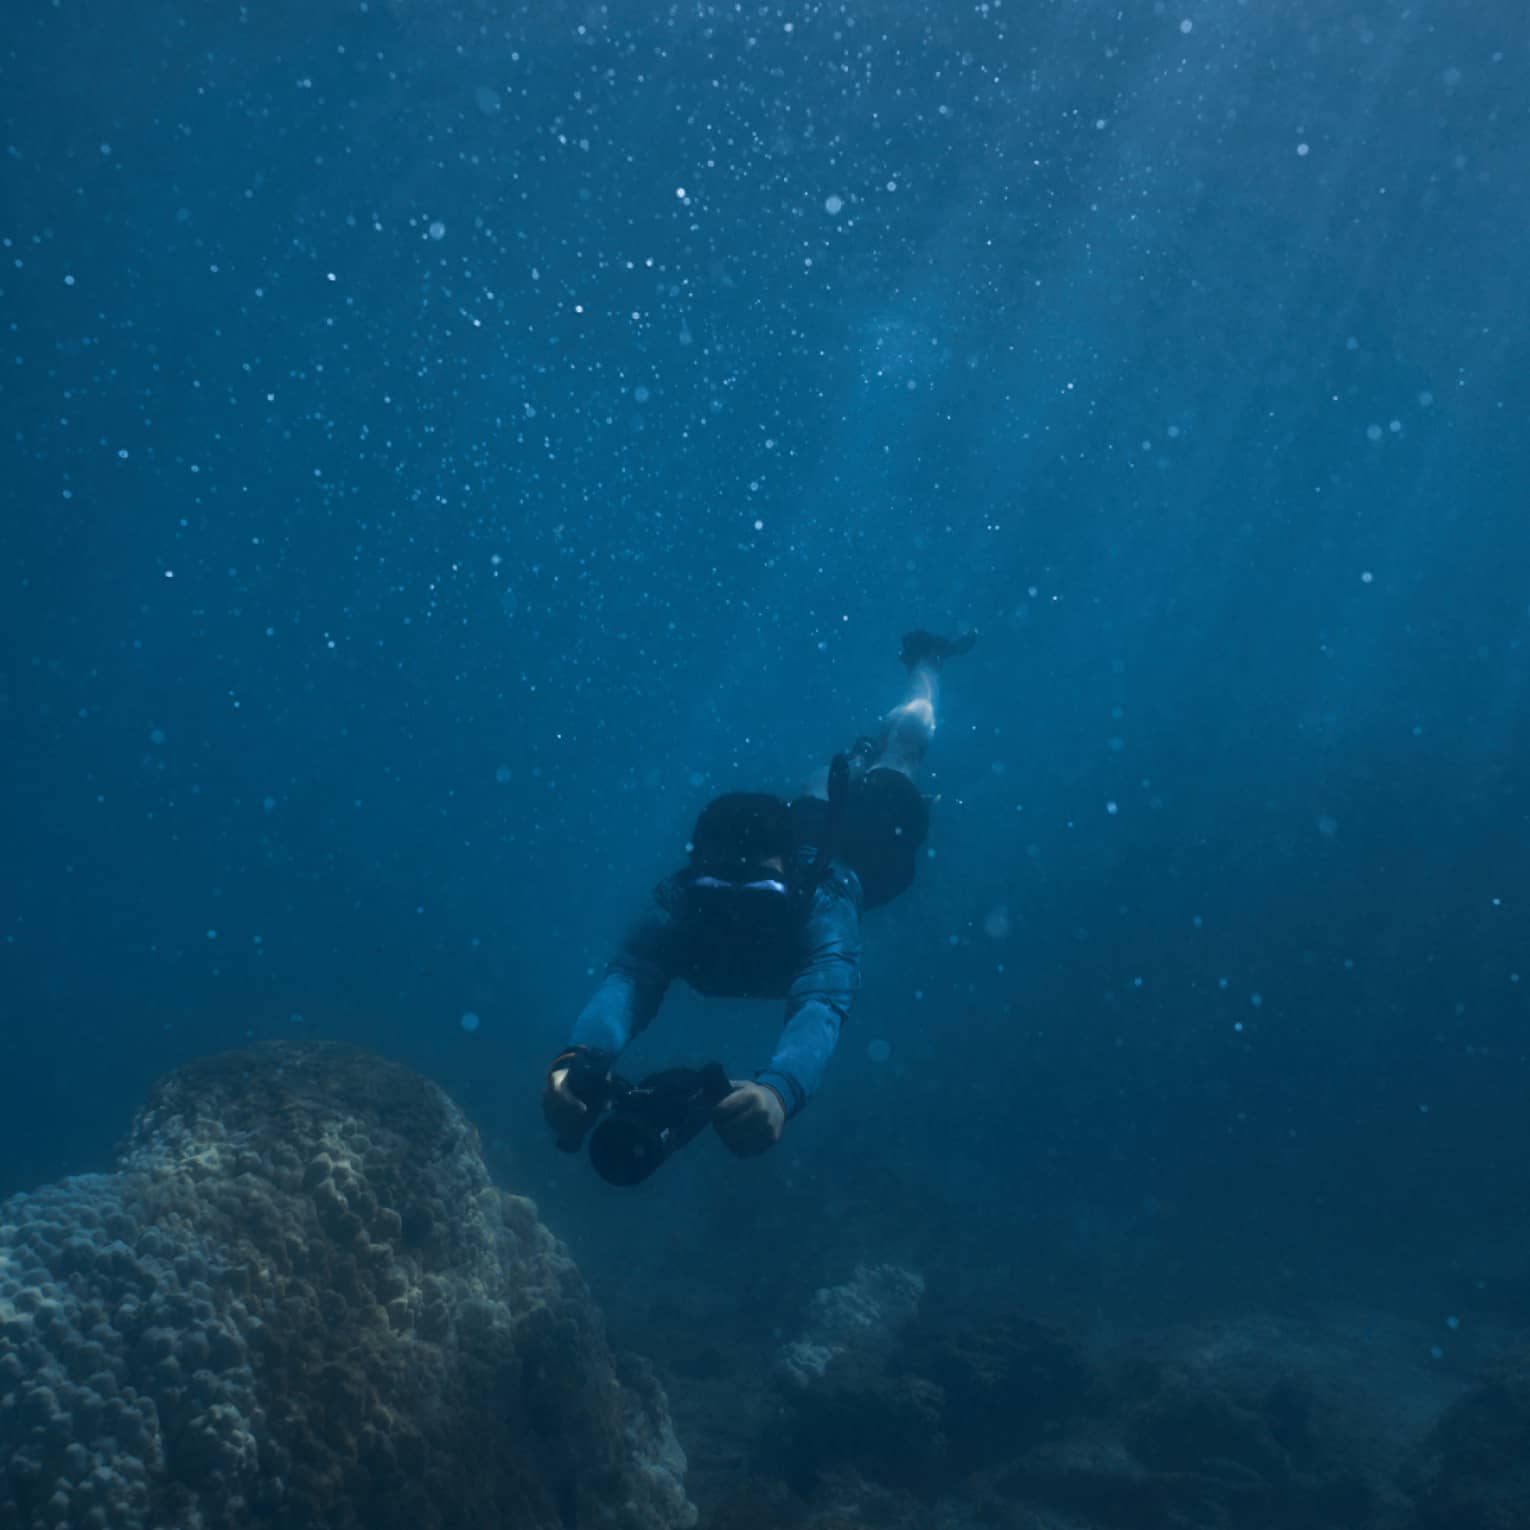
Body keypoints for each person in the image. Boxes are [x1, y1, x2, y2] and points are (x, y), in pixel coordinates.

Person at [542, 628, 976, 1159]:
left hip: (867, 852)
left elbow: (820, 1003)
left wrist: (780, 1089)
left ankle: (924, 669)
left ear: (787, 874)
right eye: (718, 887)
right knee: (822, 789)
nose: (734, 910)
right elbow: (630, 978)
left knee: (905, 750)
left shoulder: (822, 899)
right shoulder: (677, 900)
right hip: (811, 827)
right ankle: (859, 756)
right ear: (693, 869)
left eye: (753, 889)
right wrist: (579, 1061)